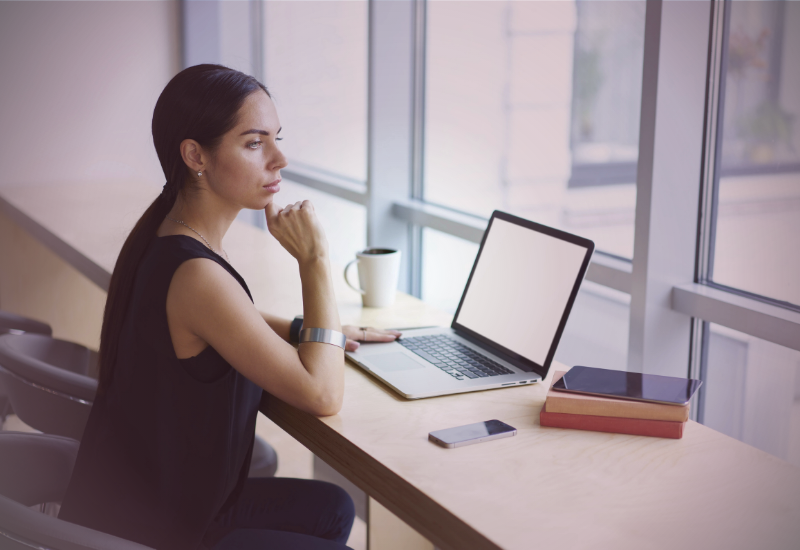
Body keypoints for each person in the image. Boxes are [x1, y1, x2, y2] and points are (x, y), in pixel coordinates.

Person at [59, 64, 401, 550]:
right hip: (165, 534)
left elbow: (225, 321)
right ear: (196, 155)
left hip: (148, 504)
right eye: (255, 143)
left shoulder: (165, 238)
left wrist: (314, 329)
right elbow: (322, 394)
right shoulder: (197, 274)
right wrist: (315, 260)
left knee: (333, 508)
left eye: (276, 138)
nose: (280, 159)